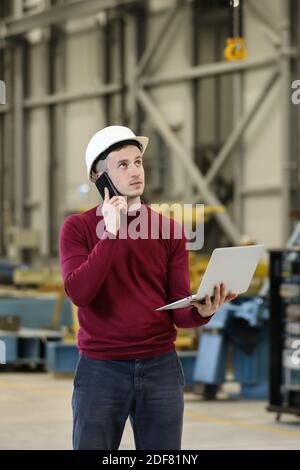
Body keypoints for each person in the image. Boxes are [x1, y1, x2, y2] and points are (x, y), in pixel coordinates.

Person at [59, 125, 237, 450]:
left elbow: (178, 312)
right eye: (122, 165)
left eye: (138, 162)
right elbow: (79, 293)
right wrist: (111, 233)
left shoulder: (169, 230)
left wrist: (202, 312)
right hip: (101, 370)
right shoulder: (78, 228)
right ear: (99, 177)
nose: (135, 171)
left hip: (161, 368)